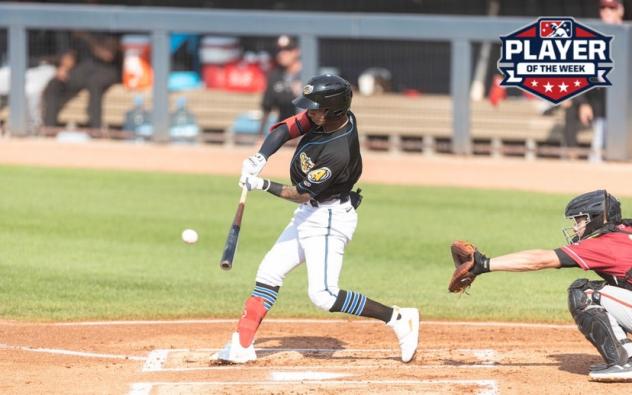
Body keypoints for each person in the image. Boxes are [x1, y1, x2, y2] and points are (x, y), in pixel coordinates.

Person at [212, 74, 420, 364]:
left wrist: (262, 185)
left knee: (323, 295)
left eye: (315, 108)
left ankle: (398, 318)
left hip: (329, 217)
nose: (309, 113)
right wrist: (260, 157)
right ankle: (241, 345)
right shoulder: (326, 117)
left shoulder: (338, 151)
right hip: (312, 212)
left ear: (333, 110)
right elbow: (285, 129)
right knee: (269, 272)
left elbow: (300, 193)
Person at [450, 189, 632, 382]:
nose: (576, 228)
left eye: (579, 221)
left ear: (595, 219)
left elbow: (539, 260)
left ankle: (626, 362)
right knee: (609, 288)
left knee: (585, 293)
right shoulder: (624, 230)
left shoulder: (603, 244)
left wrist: (484, 265)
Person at [562, 0, 624, 162]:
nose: (607, 11)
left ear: (620, 11)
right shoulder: (591, 36)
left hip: (623, 101)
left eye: (611, 7)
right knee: (571, 104)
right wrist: (582, 102)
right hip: (597, 101)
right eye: (603, 7)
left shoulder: (627, 34)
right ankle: (571, 161)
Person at [42, 31, 121, 130]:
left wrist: (87, 37)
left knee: (94, 83)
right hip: (83, 69)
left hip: (107, 69)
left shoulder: (108, 28)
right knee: (54, 83)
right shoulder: (77, 31)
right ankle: (49, 129)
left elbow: (108, 55)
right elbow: (71, 54)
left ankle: (96, 129)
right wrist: (64, 68)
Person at [257, 35, 302, 137]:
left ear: (296, 51)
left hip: (308, 134)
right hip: (284, 133)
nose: (282, 54)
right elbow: (266, 108)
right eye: (279, 50)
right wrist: (259, 135)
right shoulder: (274, 76)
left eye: (287, 50)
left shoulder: (308, 73)